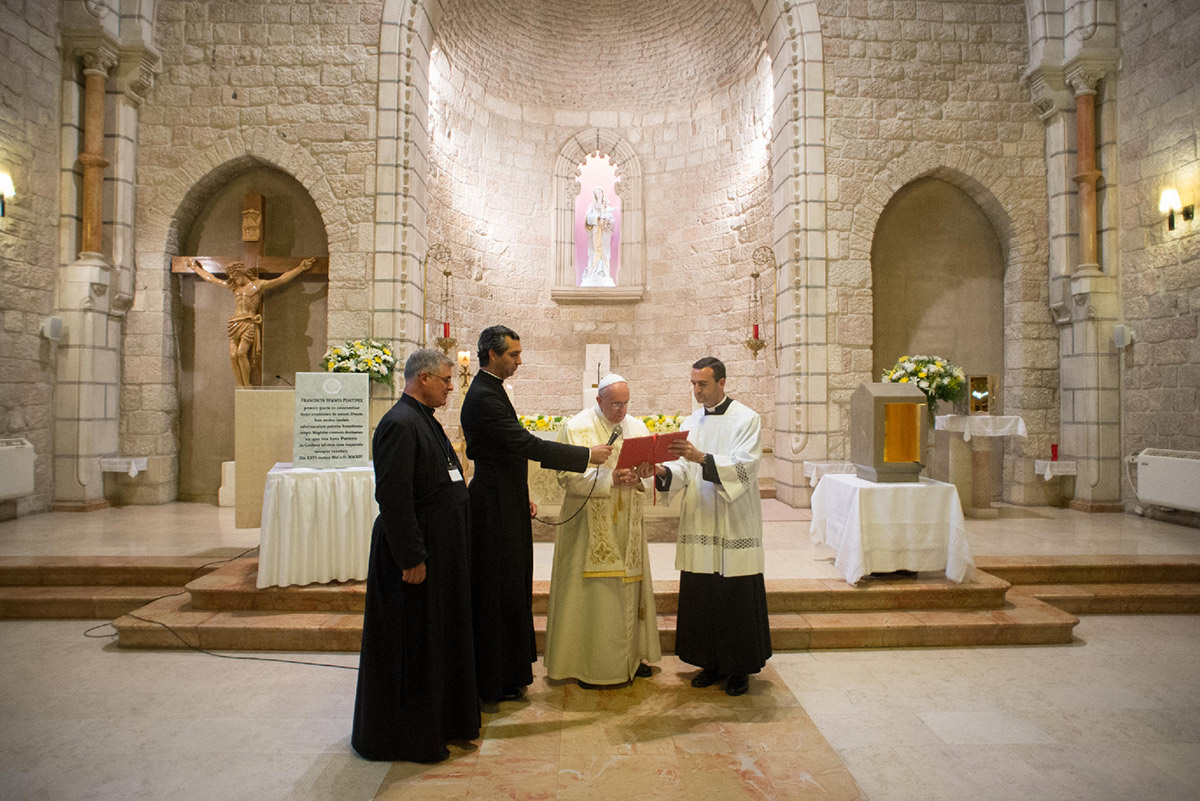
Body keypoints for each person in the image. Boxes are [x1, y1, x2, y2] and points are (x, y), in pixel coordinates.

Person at [461, 325, 612, 703]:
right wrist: (584, 456)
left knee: (512, 585)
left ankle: (508, 671)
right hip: (492, 504)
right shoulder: (483, 395)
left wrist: (520, 492)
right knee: (498, 588)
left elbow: (507, 451)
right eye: (513, 354)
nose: (519, 360)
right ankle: (493, 678)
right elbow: (523, 443)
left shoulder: (492, 390)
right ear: (492, 354)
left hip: (504, 497)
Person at [351, 349, 477, 763]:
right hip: (414, 556)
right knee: (412, 647)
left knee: (434, 641)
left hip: (439, 550)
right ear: (422, 378)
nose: (450, 386)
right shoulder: (400, 424)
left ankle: (441, 722)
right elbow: (393, 498)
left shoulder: (424, 420)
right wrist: (411, 558)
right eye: (445, 379)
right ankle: (407, 735)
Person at [655, 356, 772, 696]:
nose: (696, 391)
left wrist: (701, 459)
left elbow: (745, 469)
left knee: (734, 596)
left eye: (702, 384)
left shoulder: (747, 419)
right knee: (704, 593)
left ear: (722, 383)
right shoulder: (690, 421)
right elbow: (682, 469)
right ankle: (708, 661)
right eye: (693, 384)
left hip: (734, 521)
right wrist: (664, 473)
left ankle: (738, 669)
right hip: (701, 519)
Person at [544, 374, 661, 687]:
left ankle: (632, 659)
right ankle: (588, 663)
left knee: (628, 587)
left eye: (625, 403)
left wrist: (642, 478)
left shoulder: (637, 427)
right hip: (588, 529)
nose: (621, 410)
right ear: (598, 401)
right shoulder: (576, 427)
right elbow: (565, 478)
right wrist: (611, 480)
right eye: (614, 404)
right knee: (595, 595)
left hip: (628, 524)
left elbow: (649, 471)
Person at [186, 257, 315, 387]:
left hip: (248, 322)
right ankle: (239, 384)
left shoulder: (258, 285)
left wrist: (301, 268)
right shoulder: (234, 287)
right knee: (232, 355)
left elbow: (281, 279)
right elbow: (212, 279)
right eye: (232, 277)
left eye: (235, 277)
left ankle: (247, 384)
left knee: (241, 353)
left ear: (242, 273)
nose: (234, 280)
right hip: (235, 322)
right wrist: (196, 268)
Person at [581, 186, 616, 287]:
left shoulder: (606, 206)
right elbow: (587, 219)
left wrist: (607, 221)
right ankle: (594, 272)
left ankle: (605, 273)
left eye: (599, 192)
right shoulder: (591, 206)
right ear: (594, 195)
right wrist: (597, 218)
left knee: (605, 252)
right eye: (596, 193)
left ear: (602, 193)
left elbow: (611, 222)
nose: (598, 194)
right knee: (595, 251)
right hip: (595, 233)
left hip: (604, 234)